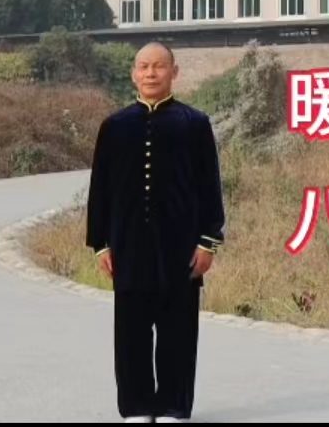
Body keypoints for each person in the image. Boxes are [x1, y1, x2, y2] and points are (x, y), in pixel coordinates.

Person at [86, 42, 226, 424]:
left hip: (180, 246)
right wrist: (100, 244)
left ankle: (173, 406)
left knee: (177, 328)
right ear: (134, 73)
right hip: (127, 245)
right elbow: (100, 190)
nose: (151, 73)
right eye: (144, 66)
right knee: (130, 329)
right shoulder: (114, 127)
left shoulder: (194, 124)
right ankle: (136, 406)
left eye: (159, 66)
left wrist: (208, 241)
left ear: (174, 72)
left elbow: (209, 186)